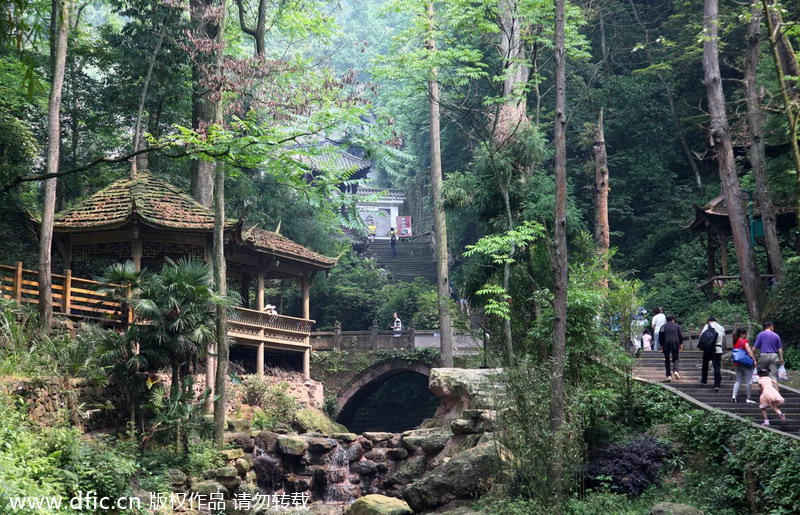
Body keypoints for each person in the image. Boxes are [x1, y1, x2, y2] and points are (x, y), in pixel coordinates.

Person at [731, 328, 757, 404]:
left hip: (737, 364)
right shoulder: (744, 342)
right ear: (742, 334)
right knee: (748, 381)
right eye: (745, 334)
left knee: (738, 381)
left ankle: (734, 396)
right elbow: (749, 351)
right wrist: (754, 360)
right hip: (746, 364)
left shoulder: (735, 342)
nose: (746, 335)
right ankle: (748, 398)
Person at [700, 316, 725, 392]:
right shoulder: (721, 328)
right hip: (718, 349)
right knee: (717, 367)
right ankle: (717, 384)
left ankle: (704, 381)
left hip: (708, 349)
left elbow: (702, 336)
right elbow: (723, 338)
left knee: (705, 365)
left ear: (709, 321)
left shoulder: (707, 326)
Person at [660, 314, 683, 381]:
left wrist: (661, 345)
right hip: (675, 343)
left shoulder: (663, 326)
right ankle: (676, 371)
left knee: (667, 359)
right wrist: (681, 343)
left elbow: (661, 336)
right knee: (676, 358)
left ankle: (669, 375)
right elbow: (680, 335)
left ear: (666, 320)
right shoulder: (677, 326)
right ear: (673, 319)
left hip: (666, 343)